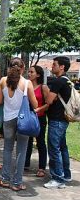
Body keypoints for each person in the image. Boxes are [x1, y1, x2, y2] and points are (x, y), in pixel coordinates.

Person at [0, 57, 38, 191]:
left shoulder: (2, 81)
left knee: (7, 149)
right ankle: (17, 182)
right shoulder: (27, 83)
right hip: (23, 120)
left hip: (8, 119)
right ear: (23, 68)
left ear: (9, 67)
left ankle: (5, 179)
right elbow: (35, 104)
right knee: (21, 151)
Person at [44, 56, 72, 189]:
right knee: (62, 148)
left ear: (62, 67)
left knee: (54, 149)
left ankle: (58, 178)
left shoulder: (58, 81)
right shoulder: (67, 81)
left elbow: (49, 100)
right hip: (64, 119)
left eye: (54, 64)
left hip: (56, 119)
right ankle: (66, 174)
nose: (52, 66)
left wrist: (47, 94)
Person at [24, 65, 49, 177]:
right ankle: (25, 164)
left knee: (40, 142)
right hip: (28, 117)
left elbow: (48, 103)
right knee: (27, 141)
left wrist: (39, 109)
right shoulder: (26, 86)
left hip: (40, 117)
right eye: (28, 72)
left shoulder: (43, 87)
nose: (29, 74)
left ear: (38, 74)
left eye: (32, 72)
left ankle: (42, 167)